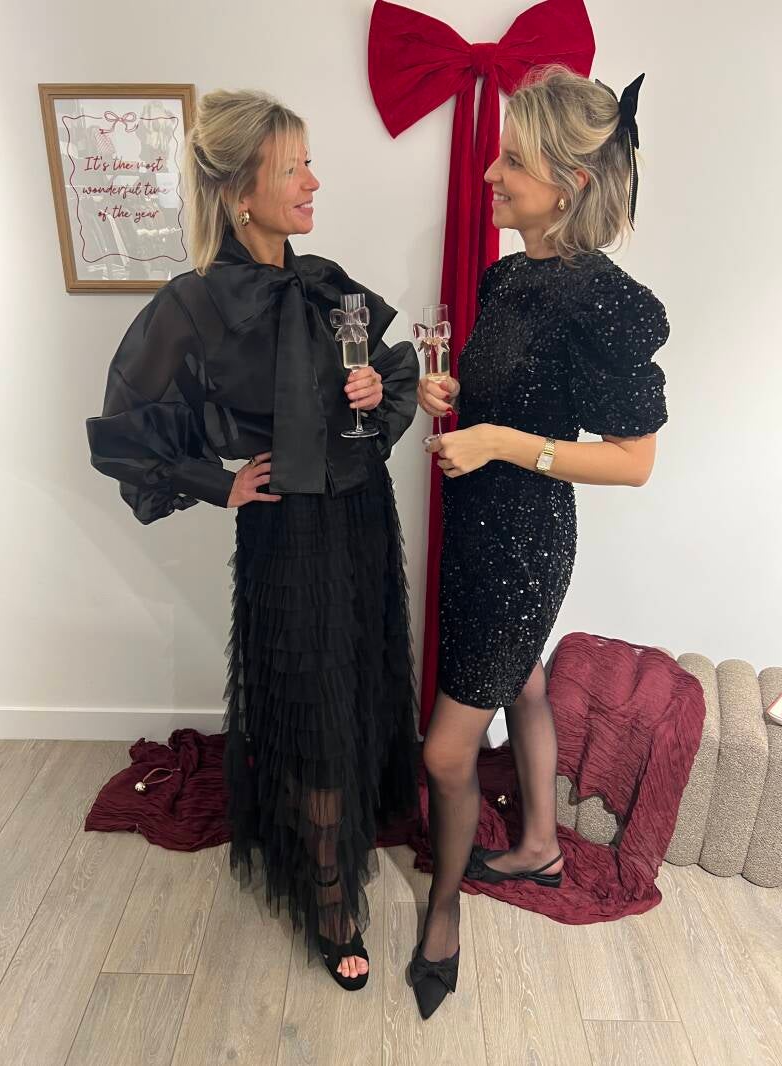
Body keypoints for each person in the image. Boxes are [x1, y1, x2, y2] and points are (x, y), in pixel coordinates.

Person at [87, 89, 420, 991]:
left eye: (310, 163)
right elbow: (123, 430)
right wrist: (217, 481)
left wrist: (370, 391)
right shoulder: (195, 304)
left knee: (355, 687)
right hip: (289, 533)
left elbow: (386, 375)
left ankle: (336, 837)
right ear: (241, 193)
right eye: (294, 168)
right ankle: (327, 892)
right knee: (311, 701)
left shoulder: (328, 281)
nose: (314, 182)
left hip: (363, 518)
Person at [411, 65, 670, 1019]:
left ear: (570, 184)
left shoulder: (605, 300)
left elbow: (635, 461)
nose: (491, 173)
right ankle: (539, 848)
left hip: (522, 548)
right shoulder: (509, 275)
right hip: (478, 530)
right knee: (520, 685)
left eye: (512, 160)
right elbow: (507, 396)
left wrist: (500, 442)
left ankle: (443, 916)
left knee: (444, 756)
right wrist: (452, 396)